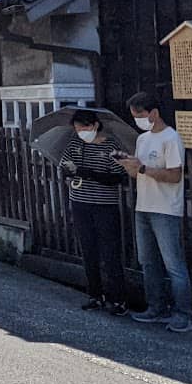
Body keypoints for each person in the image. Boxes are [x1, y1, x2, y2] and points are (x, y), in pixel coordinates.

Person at [121, 91, 192, 333]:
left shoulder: (171, 138)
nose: (138, 119)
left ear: (154, 112)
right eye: (134, 116)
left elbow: (174, 175)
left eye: (140, 115)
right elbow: (138, 173)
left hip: (165, 208)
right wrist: (129, 165)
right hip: (143, 205)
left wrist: (143, 169)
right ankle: (156, 307)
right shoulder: (142, 140)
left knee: (173, 263)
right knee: (148, 262)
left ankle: (184, 314)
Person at [60, 111, 128, 315]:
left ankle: (118, 299)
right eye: (78, 129)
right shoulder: (74, 144)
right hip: (80, 202)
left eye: (85, 128)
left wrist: (84, 172)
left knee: (110, 252)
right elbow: (64, 167)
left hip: (105, 205)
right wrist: (70, 173)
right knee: (88, 251)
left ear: (95, 125)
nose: (81, 132)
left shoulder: (111, 145)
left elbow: (117, 177)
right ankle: (95, 295)